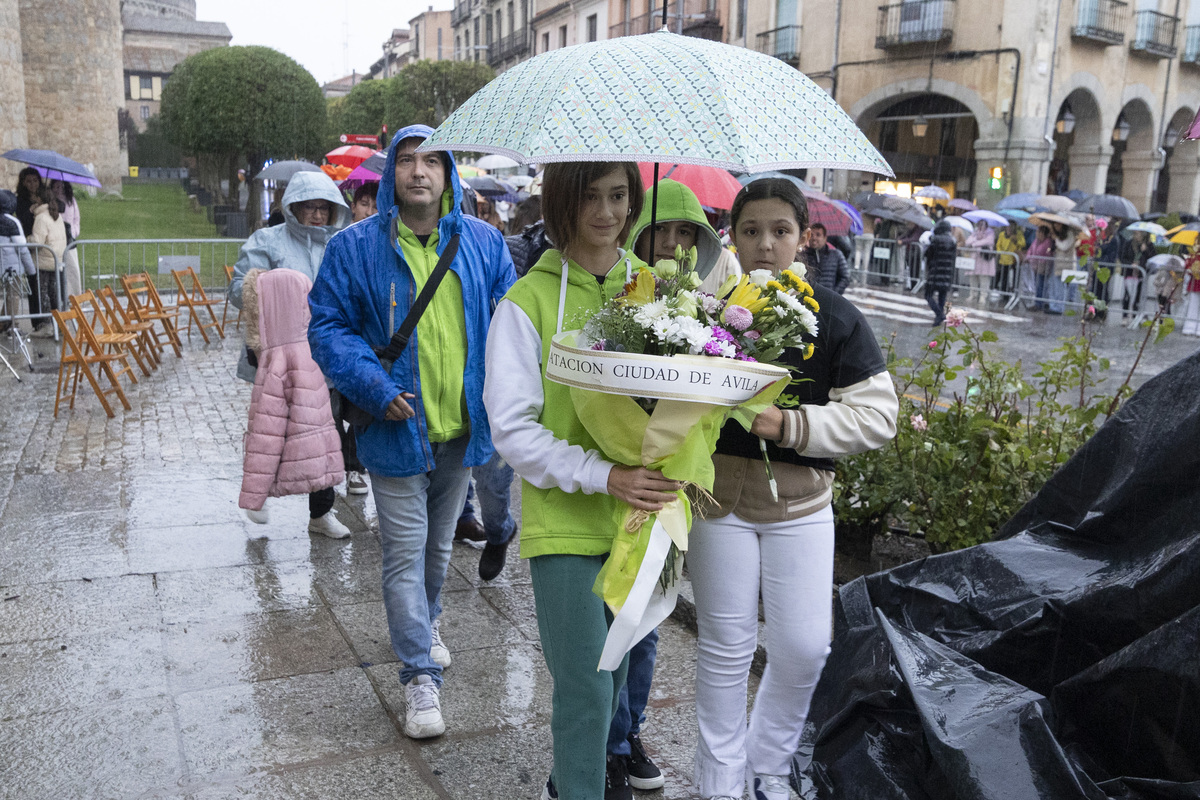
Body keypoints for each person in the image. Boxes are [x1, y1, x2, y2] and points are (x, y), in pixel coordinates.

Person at [688, 178, 898, 800]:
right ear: (732, 235)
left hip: (800, 502)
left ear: (803, 237)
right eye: (750, 231)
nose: (764, 244)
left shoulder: (832, 316)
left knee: (806, 646)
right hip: (717, 501)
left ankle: (770, 763)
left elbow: (878, 416)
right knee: (725, 646)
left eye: (780, 231)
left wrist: (793, 425)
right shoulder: (702, 313)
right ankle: (721, 780)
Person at [308, 125, 515, 739]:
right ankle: (418, 674)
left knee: (435, 550)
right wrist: (373, 386)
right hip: (396, 433)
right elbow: (328, 327)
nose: (418, 171)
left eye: (432, 161)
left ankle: (425, 622)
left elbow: (510, 322)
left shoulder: (484, 244)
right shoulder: (353, 249)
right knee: (403, 553)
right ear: (390, 174)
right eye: (406, 161)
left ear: (450, 173)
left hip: (460, 432)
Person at [484, 161, 666, 800]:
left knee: (615, 680)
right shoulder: (525, 302)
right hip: (564, 521)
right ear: (561, 203)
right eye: (589, 197)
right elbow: (511, 429)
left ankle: (570, 783)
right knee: (586, 684)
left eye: (618, 196)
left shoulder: (654, 293)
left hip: (641, 518)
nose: (607, 213)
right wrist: (602, 474)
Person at [230, 171, 353, 536]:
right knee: (271, 430)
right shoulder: (266, 240)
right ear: (293, 207)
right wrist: (272, 287)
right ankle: (258, 494)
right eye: (309, 207)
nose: (317, 215)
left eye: (323, 208)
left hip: (324, 359)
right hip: (277, 361)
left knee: (323, 433)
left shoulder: (341, 243)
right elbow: (239, 289)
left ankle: (321, 512)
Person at [237, 268, 344, 515]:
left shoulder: (277, 359)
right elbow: (267, 435)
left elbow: (266, 435)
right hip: (315, 464)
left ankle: (320, 511)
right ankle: (319, 508)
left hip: (310, 460)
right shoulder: (296, 358)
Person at [628, 177, 740, 294]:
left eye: (683, 232)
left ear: (696, 242)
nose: (671, 243)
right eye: (658, 228)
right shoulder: (613, 296)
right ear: (638, 234)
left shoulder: (702, 308)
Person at [28, 187, 67, 336]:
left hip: (44, 261)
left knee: (42, 293)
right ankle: (59, 323)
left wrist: (27, 239)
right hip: (57, 260)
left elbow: (37, 241)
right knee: (54, 294)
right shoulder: (56, 215)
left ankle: (46, 326)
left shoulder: (41, 218)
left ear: (39, 199)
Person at [0, 190, 36, 334]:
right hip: (12, 267)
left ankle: (3, 322)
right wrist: (31, 270)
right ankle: (12, 325)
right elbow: (22, 249)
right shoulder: (13, 222)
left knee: (10, 295)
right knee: (14, 295)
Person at [14, 168, 44, 330]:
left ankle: (51, 318)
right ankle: (37, 321)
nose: (32, 184)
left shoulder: (44, 196)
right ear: (23, 183)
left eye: (35, 180)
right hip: (31, 243)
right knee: (34, 282)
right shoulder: (21, 200)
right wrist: (31, 210)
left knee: (47, 284)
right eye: (29, 181)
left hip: (46, 245)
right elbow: (21, 219)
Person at [50, 180, 82, 299]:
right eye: (56, 187)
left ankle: (74, 297)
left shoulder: (71, 200)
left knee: (72, 269)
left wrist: (73, 233)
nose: (59, 189)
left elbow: (76, 219)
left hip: (69, 240)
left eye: (61, 186)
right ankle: (60, 298)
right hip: (56, 240)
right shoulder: (50, 202)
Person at [798, 222, 849, 294]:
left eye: (818, 235)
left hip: (829, 299)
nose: (814, 238)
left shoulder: (836, 255)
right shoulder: (803, 256)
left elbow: (845, 278)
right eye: (811, 235)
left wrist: (834, 294)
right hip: (807, 299)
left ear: (825, 238)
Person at [923, 219, 957, 326]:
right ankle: (939, 317)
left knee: (928, 294)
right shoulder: (952, 241)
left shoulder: (935, 240)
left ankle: (939, 314)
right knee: (942, 296)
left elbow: (928, 254)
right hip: (947, 273)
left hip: (935, 271)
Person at [1120, 229, 1154, 322]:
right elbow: (1123, 257)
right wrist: (1131, 264)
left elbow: (1152, 258)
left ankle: (1136, 315)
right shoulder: (1128, 244)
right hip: (1129, 273)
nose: (1137, 236)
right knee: (1127, 295)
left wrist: (1146, 250)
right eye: (1135, 234)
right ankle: (1125, 315)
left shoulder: (1148, 245)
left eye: (1139, 234)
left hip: (1141, 275)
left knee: (1138, 295)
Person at [1048, 222, 1077, 314]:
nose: (1056, 227)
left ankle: (1059, 307)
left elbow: (1064, 246)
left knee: (1060, 287)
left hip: (1065, 264)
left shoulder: (1070, 234)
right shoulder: (1058, 235)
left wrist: (1056, 239)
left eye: (1058, 225)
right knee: (1054, 285)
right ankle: (1053, 306)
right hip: (1058, 263)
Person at [964, 219, 996, 305]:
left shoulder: (991, 232)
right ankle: (973, 295)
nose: (981, 226)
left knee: (984, 278)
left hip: (984, 259)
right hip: (974, 258)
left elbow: (988, 241)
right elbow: (968, 241)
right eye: (980, 224)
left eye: (983, 224)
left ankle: (983, 296)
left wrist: (975, 243)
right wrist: (976, 241)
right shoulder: (974, 232)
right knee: (973, 277)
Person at [1026, 225, 1054, 311]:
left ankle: (1040, 303)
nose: (1036, 233)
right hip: (1035, 265)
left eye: (1038, 231)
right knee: (1037, 284)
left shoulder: (1048, 242)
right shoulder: (1035, 241)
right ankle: (1037, 302)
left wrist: (1040, 261)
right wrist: (1028, 257)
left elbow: (1047, 253)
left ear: (1042, 233)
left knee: (1041, 285)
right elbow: (1030, 249)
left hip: (1043, 266)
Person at [994, 220, 1025, 296]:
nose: (1009, 228)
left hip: (1014, 259)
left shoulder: (1018, 234)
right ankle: (1004, 292)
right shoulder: (1002, 234)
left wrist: (1016, 241)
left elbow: (1023, 244)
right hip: (1004, 259)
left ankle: (1013, 292)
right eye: (1008, 226)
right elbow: (998, 245)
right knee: (1004, 276)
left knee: (1014, 277)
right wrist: (1000, 252)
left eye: (1011, 226)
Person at [1182, 247, 1200, 336]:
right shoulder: (1194, 253)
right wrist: (1192, 269)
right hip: (1195, 282)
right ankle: (1190, 327)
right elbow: (1187, 265)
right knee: (1193, 305)